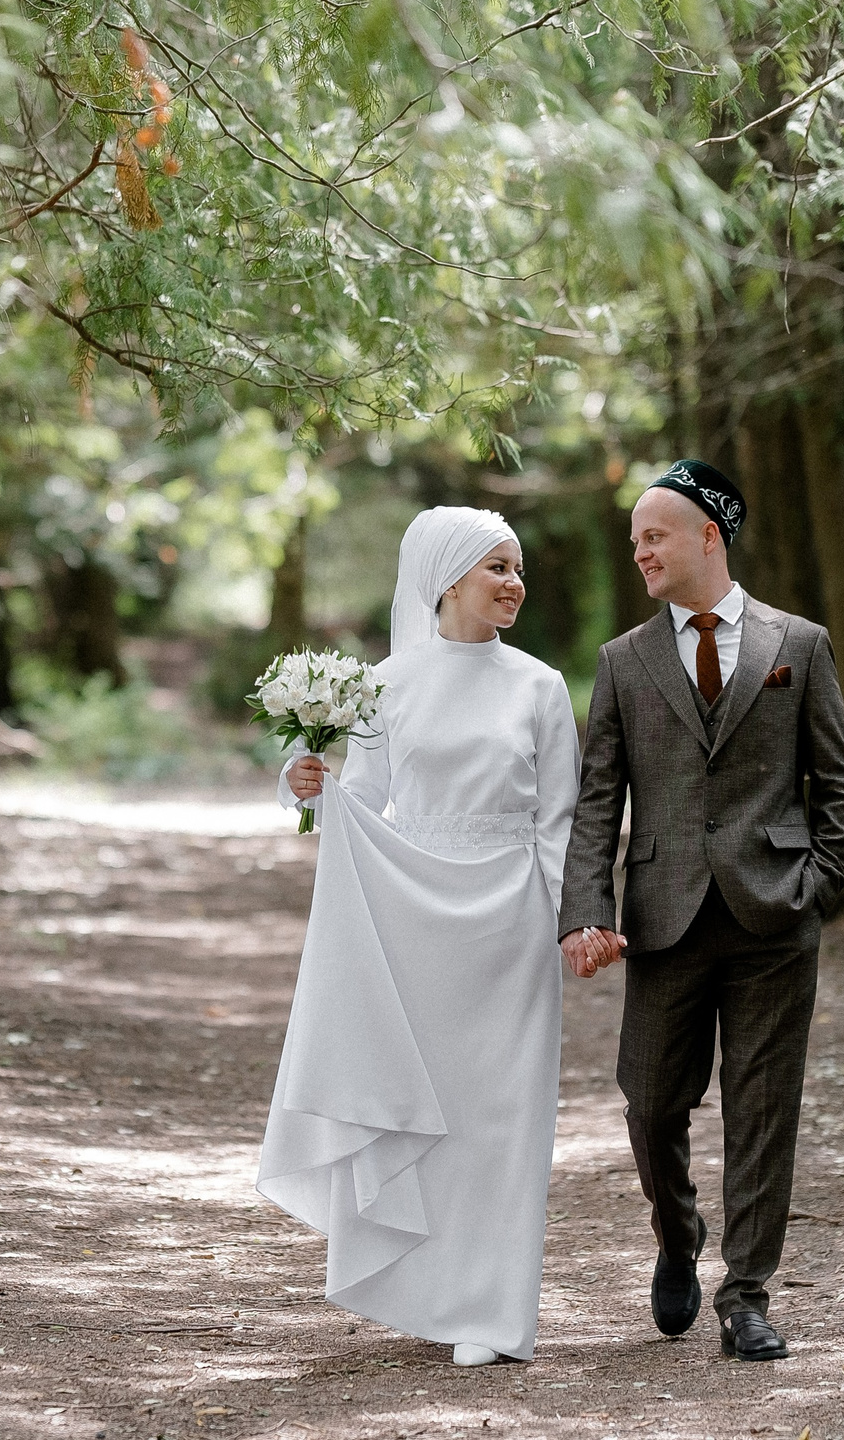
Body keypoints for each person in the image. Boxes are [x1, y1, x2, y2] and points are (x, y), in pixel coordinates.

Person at [257, 506, 580, 1368]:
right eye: (497, 568)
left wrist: (562, 918)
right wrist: (307, 783)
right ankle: (431, 1291)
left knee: (503, 1120)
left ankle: (493, 1313)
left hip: (511, 924)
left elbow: (560, 819)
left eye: (518, 568)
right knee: (426, 1111)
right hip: (415, 924)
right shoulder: (386, 685)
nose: (515, 584)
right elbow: (362, 807)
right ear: (447, 577)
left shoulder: (541, 687)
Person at [558, 459, 844, 1362]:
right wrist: (585, 910)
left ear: (708, 535)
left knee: (763, 1109)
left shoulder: (798, 644)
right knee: (651, 1102)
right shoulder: (623, 661)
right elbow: (598, 800)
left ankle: (747, 1295)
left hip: (776, 916)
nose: (641, 553)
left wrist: (817, 885)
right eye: (634, 542)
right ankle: (677, 1233)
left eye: (653, 536)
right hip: (663, 917)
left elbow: (839, 783)